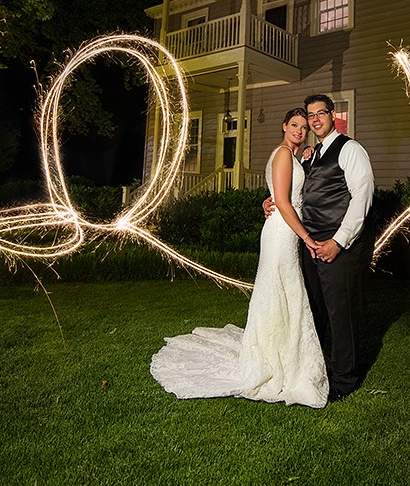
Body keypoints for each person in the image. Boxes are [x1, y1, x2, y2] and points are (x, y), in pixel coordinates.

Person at [150, 109, 329, 408]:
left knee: (282, 291)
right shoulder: (284, 155)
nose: (299, 130)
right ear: (284, 126)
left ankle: (281, 352)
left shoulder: (293, 156)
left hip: (282, 230)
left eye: (303, 127)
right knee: (280, 291)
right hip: (282, 232)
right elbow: (284, 202)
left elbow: (278, 193)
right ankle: (273, 360)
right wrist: (308, 238)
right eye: (294, 125)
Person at [265, 94, 374, 402]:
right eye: (310, 115)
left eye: (319, 113)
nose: (314, 120)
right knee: (316, 312)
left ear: (332, 115)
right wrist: (271, 199)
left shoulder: (350, 149)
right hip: (310, 243)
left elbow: (362, 198)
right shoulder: (310, 155)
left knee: (341, 313)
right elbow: (293, 191)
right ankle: (319, 368)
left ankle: (343, 381)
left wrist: (338, 242)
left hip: (337, 243)